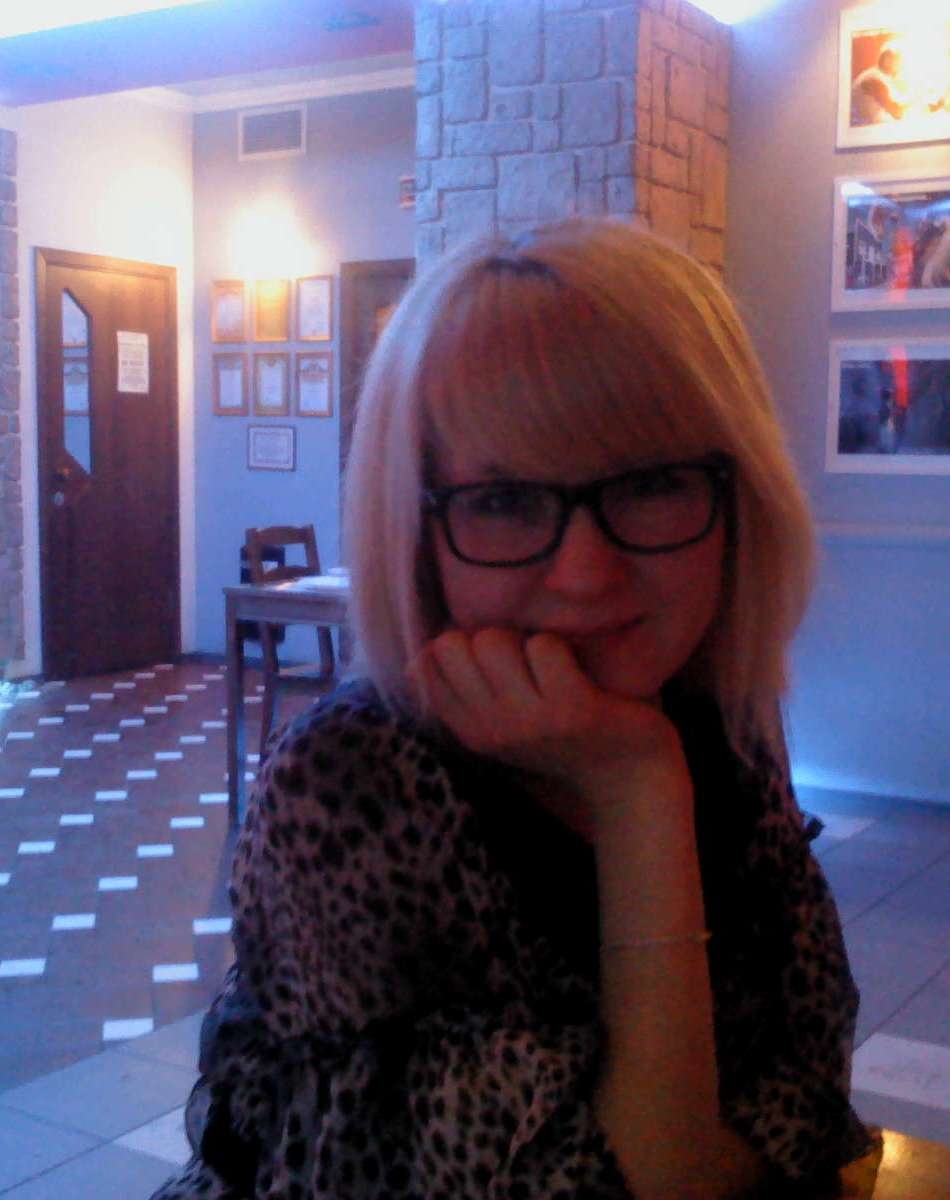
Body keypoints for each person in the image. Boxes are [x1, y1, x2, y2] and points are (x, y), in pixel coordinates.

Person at [151, 219, 872, 1200]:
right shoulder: (351, 783)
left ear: (738, 499)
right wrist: (635, 790)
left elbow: (810, 1078)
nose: (584, 574)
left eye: (652, 485)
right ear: (417, 534)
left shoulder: (724, 721)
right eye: (501, 502)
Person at [851, 42, 907, 125]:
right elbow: (896, 112)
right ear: (887, 59)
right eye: (898, 59)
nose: (901, 64)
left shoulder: (882, 76)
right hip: (866, 127)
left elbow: (896, 102)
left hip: (873, 125)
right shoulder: (873, 77)